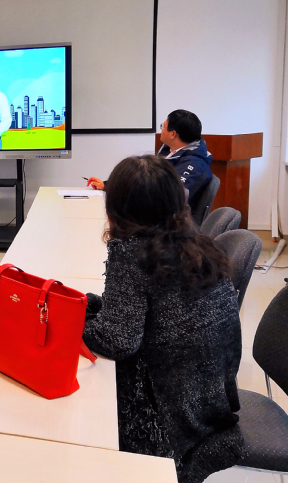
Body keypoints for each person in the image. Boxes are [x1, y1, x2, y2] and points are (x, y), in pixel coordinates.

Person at [83, 155, 243, 483]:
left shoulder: (132, 251)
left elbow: (118, 341)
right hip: (208, 406)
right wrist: (87, 305)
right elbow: (144, 313)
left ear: (117, 207)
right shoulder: (198, 244)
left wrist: (67, 321)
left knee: (79, 396)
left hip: (165, 426)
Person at [87, 109, 213, 207]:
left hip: (167, 224)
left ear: (173, 134)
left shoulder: (194, 165)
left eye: (163, 126)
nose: (161, 129)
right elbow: (146, 179)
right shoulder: (168, 150)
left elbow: (171, 199)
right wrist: (109, 185)